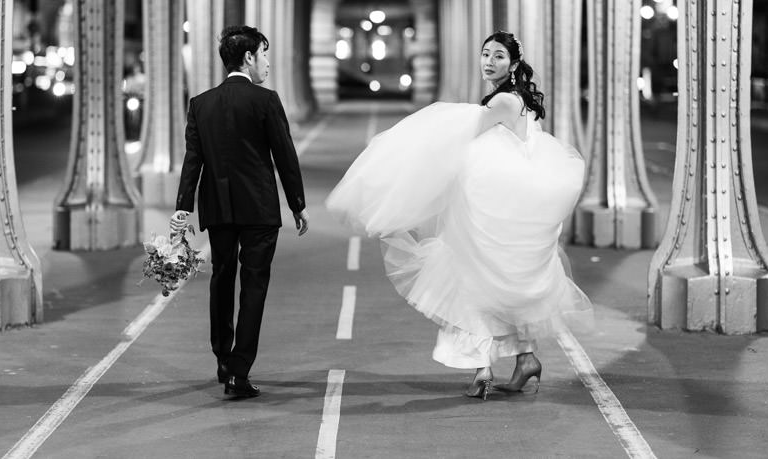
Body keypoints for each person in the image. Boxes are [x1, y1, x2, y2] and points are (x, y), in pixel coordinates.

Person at [326, 30, 592, 400]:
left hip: (491, 211)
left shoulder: (503, 102)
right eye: (485, 54)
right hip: (502, 209)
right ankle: (525, 358)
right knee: (495, 285)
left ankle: (482, 366)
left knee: (471, 278)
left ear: (514, 64)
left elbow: (460, 134)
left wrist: (408, 154)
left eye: (499, 56)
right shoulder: (515, 100)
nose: (489, 61)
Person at [171, 25, 309, 400]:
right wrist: (297, 203)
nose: (267, 63)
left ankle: (222, 358)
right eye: (264, 54)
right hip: (259, 210)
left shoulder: (200, 103)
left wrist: (182, 209)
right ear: (248, 57)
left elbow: (193, 160)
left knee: (221, 279)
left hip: (218, 209)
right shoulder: (266, 101)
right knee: (254, 287)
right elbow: (284, 155)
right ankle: (239, 370)